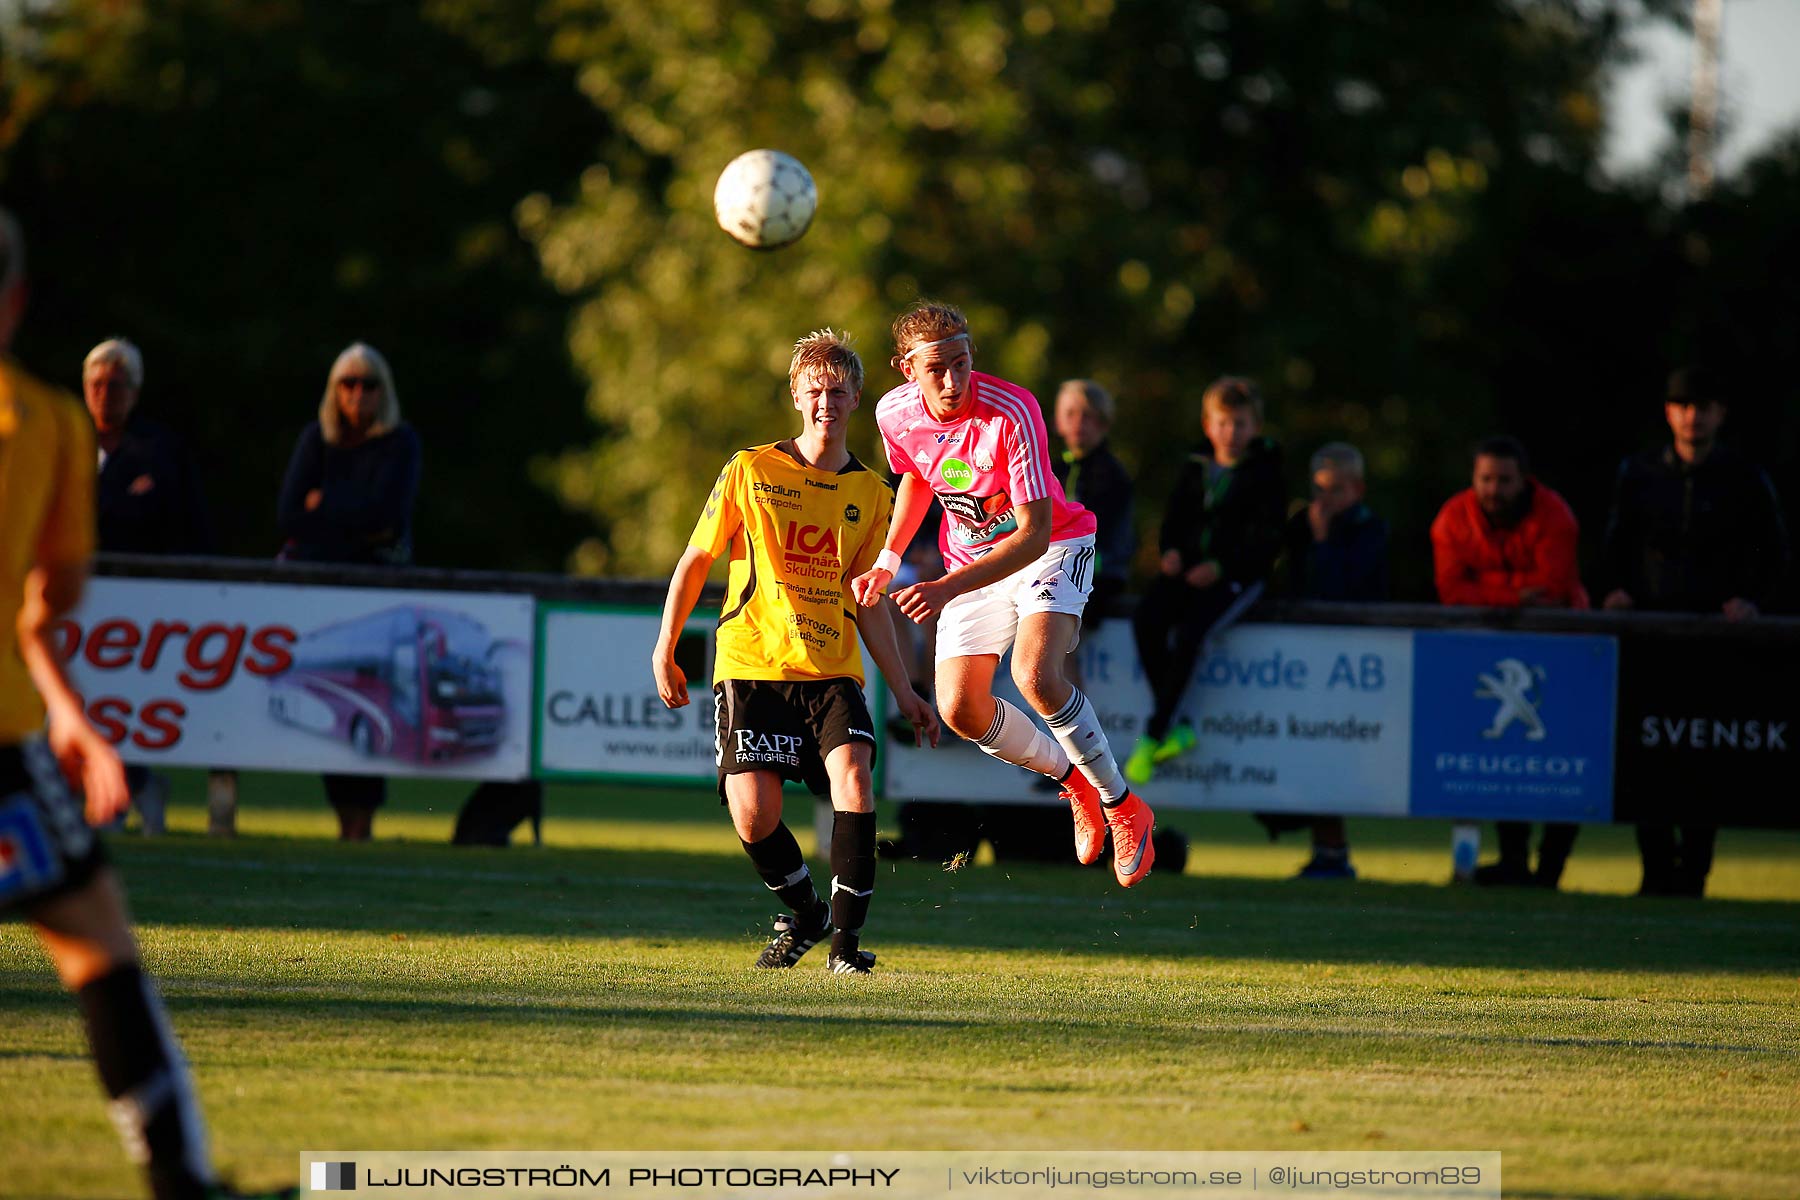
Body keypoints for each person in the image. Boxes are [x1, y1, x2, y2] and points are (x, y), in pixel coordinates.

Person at [0, 208, 292, 1200]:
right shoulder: (37, 423)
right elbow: (49, 607)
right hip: (0, 740)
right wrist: (77, 723)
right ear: (19, 300)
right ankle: (178, 1177)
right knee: (95, 945)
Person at [653, 329, 938, 974]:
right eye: (815, 391)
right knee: (753, 815)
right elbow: (697, 558)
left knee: (856, 781)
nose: (826, 403)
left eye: (838, 391)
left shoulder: (873, 493)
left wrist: (903, 691)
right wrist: (666, 645)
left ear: (858, 398)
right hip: (751, 666)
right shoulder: (751, 469)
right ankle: (804, 909)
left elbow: (870, 602)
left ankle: (845, 948)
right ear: (795, 396)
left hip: (833, 671)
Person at [850, 301, 1157, 889]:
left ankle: (1121, 803)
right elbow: (915, 475)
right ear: (905, 369)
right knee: (960, 709)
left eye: (961, 364)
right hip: (969, 563)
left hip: (1052, 547)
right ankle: (1075, 784)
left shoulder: (1012, 411)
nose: (951, 380)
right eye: (936, 368)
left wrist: (943, 588)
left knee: (1035, 676)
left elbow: (1033, 532)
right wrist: (889, 562)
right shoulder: (893, 412)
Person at [1599, 366, 1791, 897]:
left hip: (1714, 641)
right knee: (1647, 750)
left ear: (1719, 414)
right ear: (1668, 413)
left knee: (1703, 753)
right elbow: (1616, 545)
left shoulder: (1745, 478)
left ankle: (1695, 870)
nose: (1692, 416)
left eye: (1702, 406)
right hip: (1651, 636)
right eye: (1683, 405)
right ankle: (1656, 868)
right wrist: (1615, 589)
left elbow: (1774, 555)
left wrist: (1753, 601)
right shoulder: (1639, 473)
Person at [276, 343, 422, 840]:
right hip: (324, 600)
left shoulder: (400, 443)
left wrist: (325, 507)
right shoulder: (316, 440)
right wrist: (353, 515)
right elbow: (289, 515)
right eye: (348, 383)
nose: (358, 393)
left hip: (376, 600)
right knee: (330, 700)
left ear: (385, 392)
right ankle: (344, 820)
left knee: (372, 703)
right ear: (334, 391)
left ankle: (361, 824)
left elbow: (388, 516)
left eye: (369, 384)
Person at [1430, 435, 1586, 888]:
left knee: (1567, 756)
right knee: (1501, 756)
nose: (1493, 489)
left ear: (1524, 481)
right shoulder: (1453, 518)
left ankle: (1551, 868)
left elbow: (1555, 588)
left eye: (1504, 480)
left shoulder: (1554, 515)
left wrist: (1488, 586)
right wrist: (1516, 593)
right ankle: (1514, 861)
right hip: (1494, 651)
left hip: (1563, 649)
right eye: (1485, 479)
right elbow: (1451, 590)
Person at [1125, 376, 1285, 786]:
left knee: (1191, 635)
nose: (1231, 433)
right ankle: (1174, 726)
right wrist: (1171, 551)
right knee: (1147, 621)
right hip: (1190, 570)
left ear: (1256, 427)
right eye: (1224, 423)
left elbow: (1266, 537)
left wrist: (1222, 566)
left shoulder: (1266, 471)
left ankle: (1154, 734)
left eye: (1241, 424)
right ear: (1207, 424)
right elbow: (1174, 518)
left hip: (1237, 577)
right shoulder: (1194, 464)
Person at [84, 337, 213, 835]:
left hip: (143, 604)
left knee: (131, 700)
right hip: (76, 599)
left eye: (116, 385)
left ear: (134, 392)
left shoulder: (159, 449)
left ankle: (126, 790)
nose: (105, 394)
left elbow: (183, 523)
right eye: (96, 384)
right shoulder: (68, 439)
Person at [1264, 441, 1390, 880]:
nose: (1325, 500)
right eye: (1319, 490)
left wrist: (1321, 543)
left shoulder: (1371, 531)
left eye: (1335, 490)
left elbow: (1340, 588)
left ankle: (1334, 849)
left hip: (1350, 668)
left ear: (1358, 489)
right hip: (1303, 664)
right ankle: (1323, 846)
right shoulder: (1301, 525)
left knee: (1336, 755)